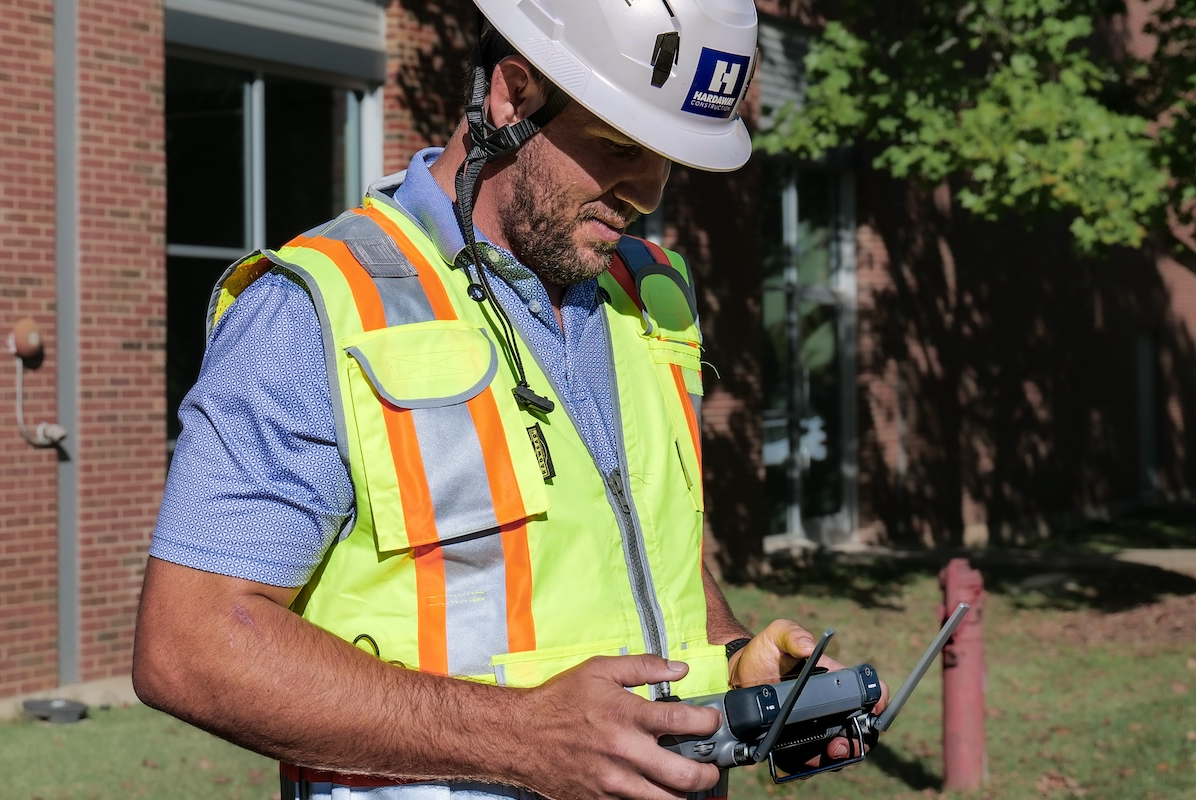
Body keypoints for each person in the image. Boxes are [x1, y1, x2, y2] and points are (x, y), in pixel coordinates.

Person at [133, 2, 885, 799]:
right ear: (512, 97)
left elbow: (645, 550)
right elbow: (191, 645)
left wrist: (734, 659)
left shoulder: (650, 294)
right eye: (621, 144)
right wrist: (518, 736)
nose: (646, 190)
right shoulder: (317, 307)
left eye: (666, 157)